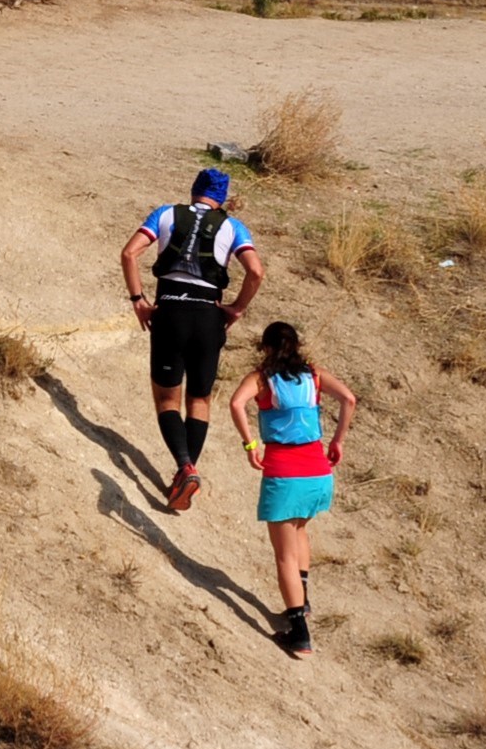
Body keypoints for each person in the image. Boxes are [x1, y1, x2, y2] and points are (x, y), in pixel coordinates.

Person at [119, 167, 265, 513]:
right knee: (200, 400)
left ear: (193, 189)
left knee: (167, 398)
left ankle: (185, 467)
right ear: (224, 198)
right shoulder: (233, 226)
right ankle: (184, 474)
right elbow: (256, 271)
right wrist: (238, 309)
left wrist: (138, 300)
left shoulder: (166, 213)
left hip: (170, 309)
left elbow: (129, 253)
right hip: (208, 317)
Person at [229, 321, 357, 658]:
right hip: (318, 472)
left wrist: (249, 445)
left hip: (284, 473)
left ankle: (298, 632)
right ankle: (303, 599)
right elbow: (349, 399)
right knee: (299, 531)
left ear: (266, 347)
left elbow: (236, 404)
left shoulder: (261, 378)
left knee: (283, 553)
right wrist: (338, 440)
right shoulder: (313, 375)